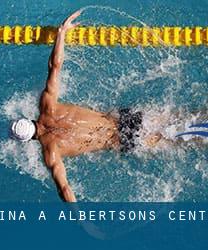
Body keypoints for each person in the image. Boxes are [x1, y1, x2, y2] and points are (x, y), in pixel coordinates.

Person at [10, 11, 162, 202]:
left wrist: (82, 222)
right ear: (28, 119)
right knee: (178, 118)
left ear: (28, 140)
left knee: (180, 141)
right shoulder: (47, 105)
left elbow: (64, 189)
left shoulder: (51, 152)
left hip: (123, 140)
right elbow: (55, 66)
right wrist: (61, 33)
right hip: (124, 118)